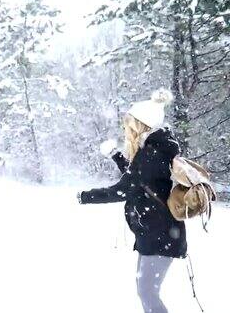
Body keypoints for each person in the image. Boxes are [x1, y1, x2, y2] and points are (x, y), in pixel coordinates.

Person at [78, 89, 186, 313]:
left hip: (159, 234)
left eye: (129, 125)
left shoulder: (151, 153)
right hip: (157, 231)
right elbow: (137, 179)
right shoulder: (155, 149)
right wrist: (117, 156)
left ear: (140, 125)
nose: (126, 130)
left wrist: (85, 196)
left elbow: (124, 188)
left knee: (147, 292)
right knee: (145, 290)